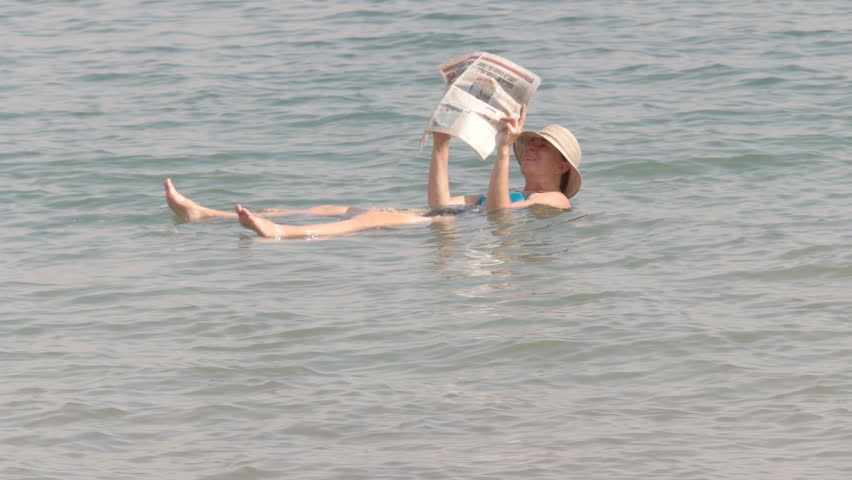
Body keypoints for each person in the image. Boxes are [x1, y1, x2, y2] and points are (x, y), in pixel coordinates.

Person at [164, 105, 583, 239]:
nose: (531, 148)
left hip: (458, 233)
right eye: (529, 142)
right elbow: (439, 205)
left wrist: (502, 152)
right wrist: (440, 147)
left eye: (541, 146)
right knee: (337, 205)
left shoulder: (555, 199)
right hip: (448, 224)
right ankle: (208, 214)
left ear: (562, 166)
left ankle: (281, 233)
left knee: (369, 219)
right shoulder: (508, 191)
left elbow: (499, 219)